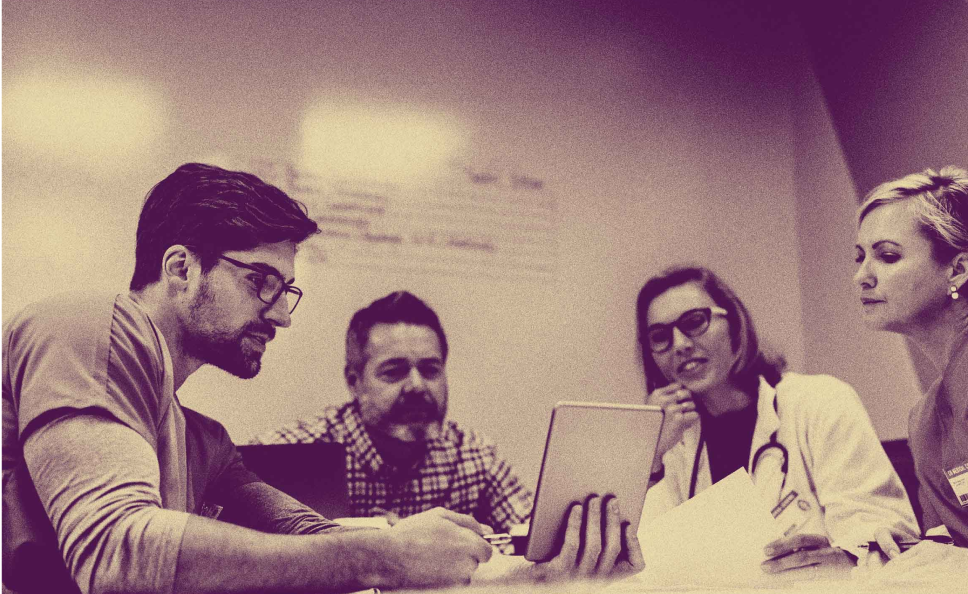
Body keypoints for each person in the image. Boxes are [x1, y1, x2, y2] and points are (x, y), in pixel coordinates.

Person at [0, 163, 642, 594]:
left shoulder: (202, 441)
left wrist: (521, 578)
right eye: (262, 282)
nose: (280, 313)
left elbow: (317, 541)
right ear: (179, 269)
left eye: (288, 291)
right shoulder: (84, 322)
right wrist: (387, 553)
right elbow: (117, 550)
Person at [635, 266, 918, 575]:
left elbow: (880, 529)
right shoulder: (671, 443)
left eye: (694, 322)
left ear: (734, 323)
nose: (680, 344)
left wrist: (846, 558)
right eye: (660, 337)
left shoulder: (819, 401)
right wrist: (651, 454)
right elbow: (648, 565)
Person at [254, 291, 533, 534]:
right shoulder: (287, 454)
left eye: (430, 370)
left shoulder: (473, 456)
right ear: (354, 382)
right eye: (394, 371)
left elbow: (534, 542)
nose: (416, 386)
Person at [853, 166, 968, 556]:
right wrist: (910, 550)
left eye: (887, 256)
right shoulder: (924, 421)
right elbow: (950, 547)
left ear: (958, 269)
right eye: (860, 257)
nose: (861, 277)